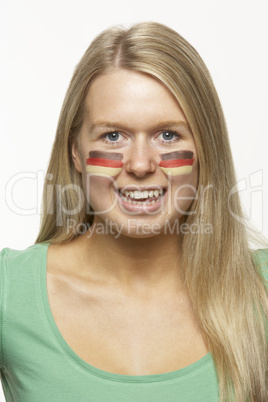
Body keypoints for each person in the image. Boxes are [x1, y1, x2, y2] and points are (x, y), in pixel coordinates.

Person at [0, 21, 267, 402]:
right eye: (113, 136)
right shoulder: (9, 292)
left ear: (205, 149)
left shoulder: (262, 291)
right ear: (76, 151)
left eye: (168, 135)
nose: (140, 164)